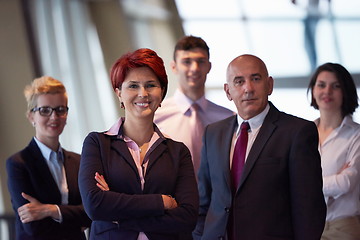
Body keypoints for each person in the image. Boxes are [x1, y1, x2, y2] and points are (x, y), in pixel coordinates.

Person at [193, 54, 326, 240]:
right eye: (239, 81)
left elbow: (309, 209)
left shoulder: (297, 132)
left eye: (255, 79)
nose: (248, 88)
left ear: (269, 85)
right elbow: (204, 202)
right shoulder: (213, 134)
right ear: (228, 91)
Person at [78, 48, 199, 240]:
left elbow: (187, 217)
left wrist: (118, 216)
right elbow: (94, 205)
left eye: (151, 85)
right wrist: (161, 202)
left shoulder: (178, 151)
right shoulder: (97, 144)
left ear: (161, 93)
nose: (143, 93)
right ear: (119, 93)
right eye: (133, 86)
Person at [6, 76, 91, 240]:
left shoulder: (79, 161)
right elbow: (33, 227)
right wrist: (75, 220)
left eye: (60, 109)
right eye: (45, 110)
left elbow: (91, 212)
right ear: (31, 117)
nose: (54, 117)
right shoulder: (18, 163)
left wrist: (50, 210)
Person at [154, 35, 234, 175]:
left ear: (209, 66)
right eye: (186, 62)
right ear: (174, 67)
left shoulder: (228, 119)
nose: (195, 68)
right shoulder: (155, 117)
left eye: (201, 61)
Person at [307, 62, 360, 240]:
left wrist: (307, 183)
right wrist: (332, 181)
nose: (327, 91)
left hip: (341, 227)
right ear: (313, 90)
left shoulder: (356, 135)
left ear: (345, 91)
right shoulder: (303, 133)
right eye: (321, 85)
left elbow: (346, 182)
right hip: (305, 225)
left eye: (336, 86)